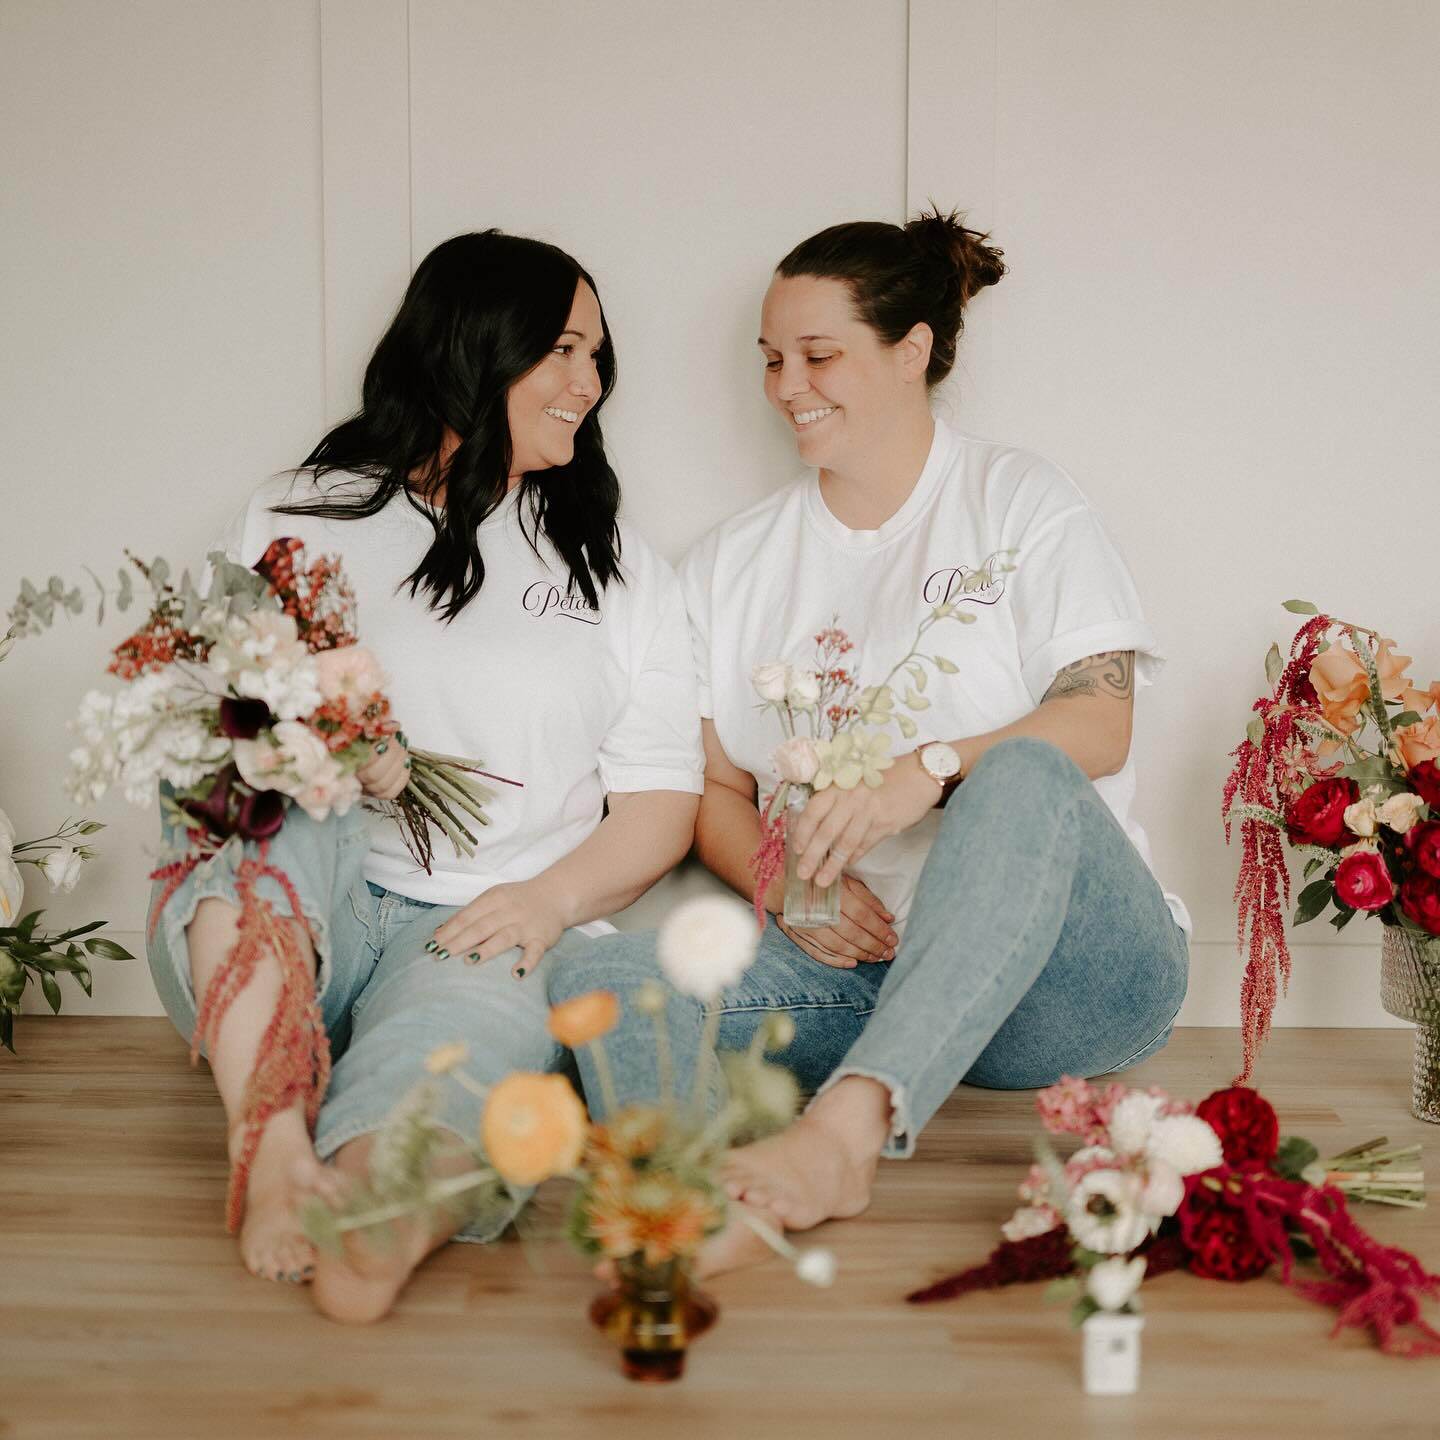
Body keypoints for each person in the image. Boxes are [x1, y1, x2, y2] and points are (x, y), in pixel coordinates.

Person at [547, 208, 1189, 1270]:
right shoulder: (729, 565)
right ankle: (678, 1193)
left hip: (1067, 989)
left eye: (818, 354)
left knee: (1022, 766)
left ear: (913, 351)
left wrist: (923, 776)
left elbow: (1100, 721)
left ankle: (844, 1135)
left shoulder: (1018, 502)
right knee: (592, 975)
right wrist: (777, 869)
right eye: (769, 359)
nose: (787, 383)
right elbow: (710, 783)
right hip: (857, 978)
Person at [145, 230, 702, 1318]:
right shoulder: (299, 514)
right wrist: (325, 755)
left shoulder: (622, 565)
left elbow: (660, 803)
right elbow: (203, 764)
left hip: (482, 924)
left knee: (457, 1072)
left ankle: (370, 1217)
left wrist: (546, 902)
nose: (591, 384)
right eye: (565, 350)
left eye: (599, 358)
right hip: (303, 905)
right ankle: (268, 1152)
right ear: (473, 346)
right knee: (273, 807)